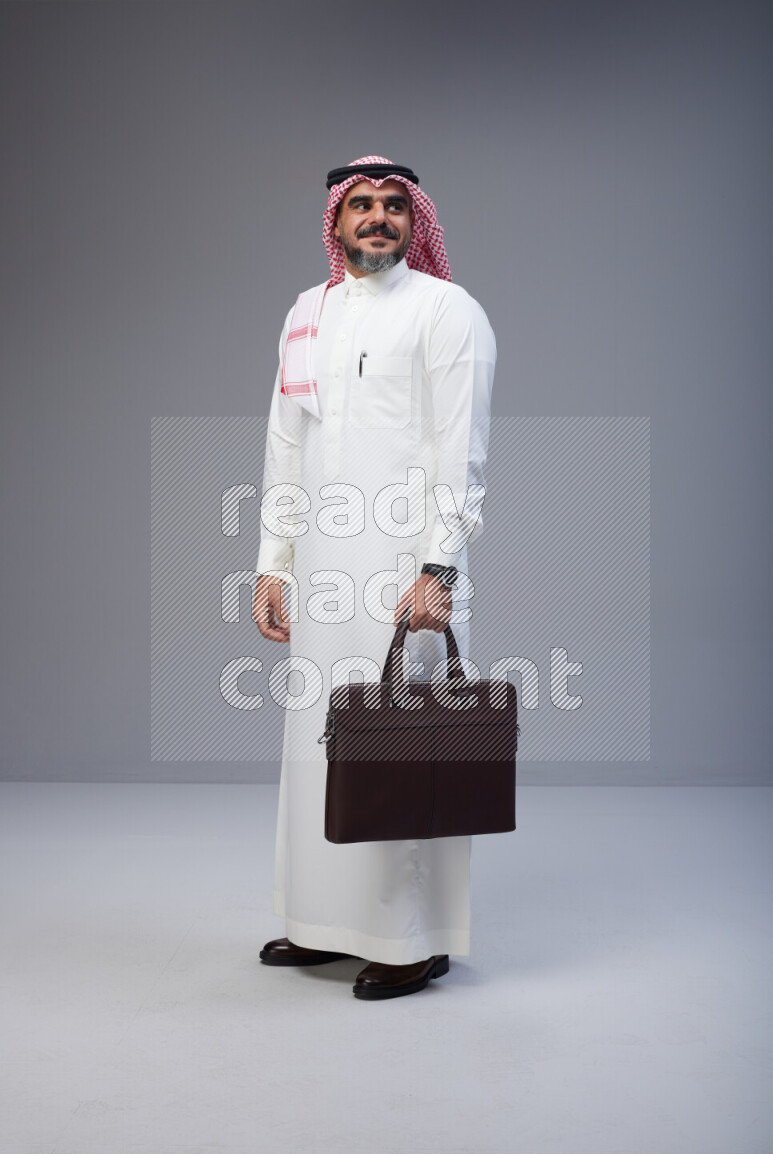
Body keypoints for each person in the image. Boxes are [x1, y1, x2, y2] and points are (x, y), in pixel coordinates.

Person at [252, 155, 496, 1000]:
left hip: (402, 562)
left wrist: (440, 568)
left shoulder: (445, 310)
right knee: (320, 742)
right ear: (337, 219)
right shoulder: (306, 312)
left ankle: (407, 941)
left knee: (400, 743)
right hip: (321, 564)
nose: (380, 219)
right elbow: (287, 444)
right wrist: (271, 566)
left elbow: (461, 452)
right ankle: (322, 924)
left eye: (396, 206)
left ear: (414, 218)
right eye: (363, 205)